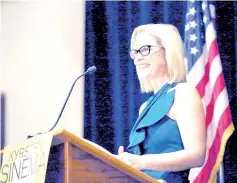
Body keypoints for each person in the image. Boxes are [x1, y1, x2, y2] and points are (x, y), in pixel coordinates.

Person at [116, 24, 206, 182]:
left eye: (145, 49)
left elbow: (197, 155)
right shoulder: (145, 107)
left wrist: (142, 161)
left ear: (167, 52)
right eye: (135, 52)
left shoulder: (183, 93)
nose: (138, 57)